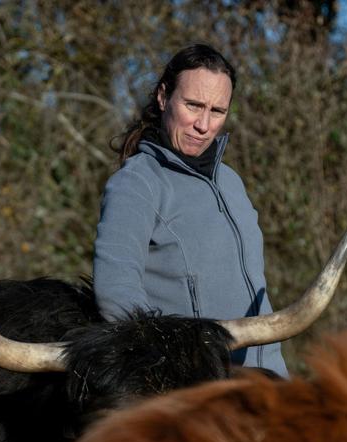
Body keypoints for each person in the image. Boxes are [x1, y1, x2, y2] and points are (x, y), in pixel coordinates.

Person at [92, 43, 287, 376]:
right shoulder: (137, 182)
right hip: (200, 393)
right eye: (193, 105)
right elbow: (116, 295)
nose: (204, 125)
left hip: (266, 384)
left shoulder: (230, 182)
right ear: (164, 97)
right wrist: (179, 365)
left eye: (218, 111)